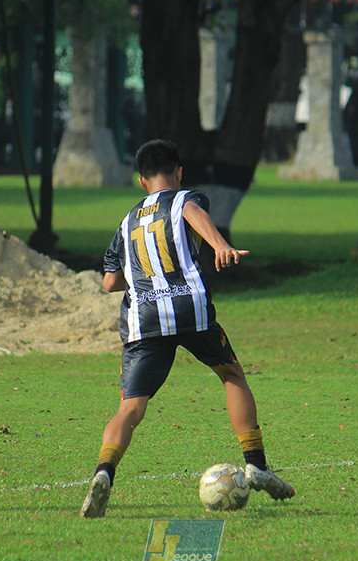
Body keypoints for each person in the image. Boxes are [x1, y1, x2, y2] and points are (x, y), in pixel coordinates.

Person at [80, 139, 294, 518]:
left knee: (130, 407)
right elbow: (191, 211)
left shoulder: (126, 222)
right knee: (230, 373)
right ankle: (256, 464)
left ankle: (103, 473)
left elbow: (110, 282)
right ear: (178, 172)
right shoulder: (183, 197)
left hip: (142, 318)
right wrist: (219, 243)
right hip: (188, 308)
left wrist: (143, 275)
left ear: (141, 181)